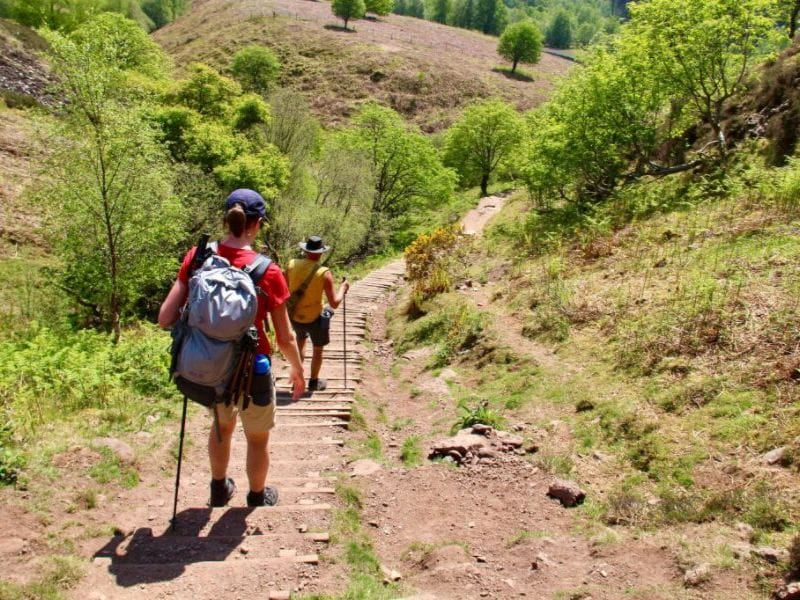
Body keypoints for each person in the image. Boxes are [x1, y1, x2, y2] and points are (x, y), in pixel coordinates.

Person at [158, 189, 305, 508]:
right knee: (257, 437)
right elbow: (284, 337)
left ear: (226, 219)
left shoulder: (197, 257)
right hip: (254, 369)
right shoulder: (268, 271)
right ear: (258, 224)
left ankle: (218, 488)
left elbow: (165, 317)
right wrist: (297, 370)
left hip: (214, 366)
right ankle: (256, 496)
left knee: (222, 425)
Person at [286, 235, 349, 392]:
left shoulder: (291, 264)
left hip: (294, 316)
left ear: (306, 251)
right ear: (321, 253)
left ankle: (297, 381)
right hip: (314, 318)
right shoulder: (324, 273)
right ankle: (314, 382)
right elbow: (334, 303)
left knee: (300, 342)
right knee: (318, 349)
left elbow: (283, 286)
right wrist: (343, 288)